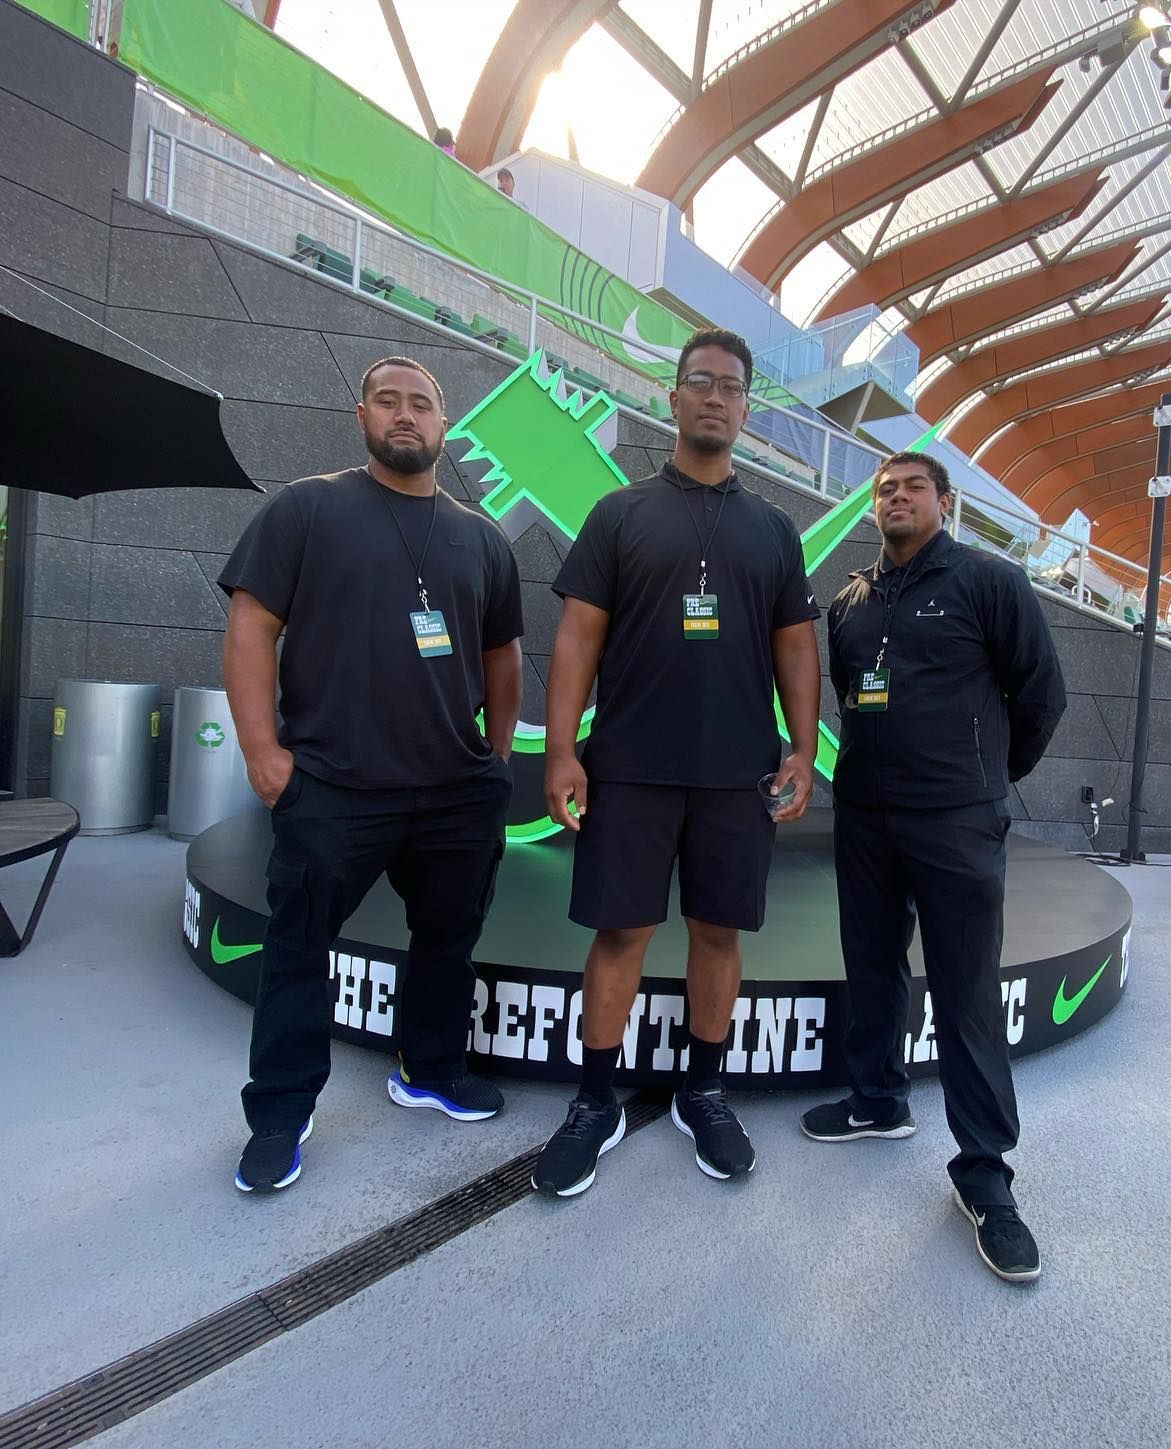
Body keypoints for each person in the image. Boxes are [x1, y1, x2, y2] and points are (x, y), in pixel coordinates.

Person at [219, 356, 523, 1194]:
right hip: (333, 783)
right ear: (361, 415)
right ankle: (281, 1110)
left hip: (456, 792)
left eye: (420, 404)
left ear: (444, 425)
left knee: (448, 940)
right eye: (387, 400)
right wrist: (262, 752)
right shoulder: (305, 509)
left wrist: (495, 758)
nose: (404, 414)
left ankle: (429, 1070)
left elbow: (504, 655)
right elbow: (252, 625)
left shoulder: (481, 536)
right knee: (297, 947)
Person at [533, 327, 821, 1197]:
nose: (716, 397)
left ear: (745, 409)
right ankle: (595, 1101)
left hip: (737, 772)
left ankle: (705, 1088)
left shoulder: (773, 528)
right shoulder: (619, 514)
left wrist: (803, 749)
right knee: (620, 931)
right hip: (627, 766)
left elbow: (797, 649)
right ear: (672, 395)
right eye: (701, 381)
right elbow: (578, 636)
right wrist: (561, 749)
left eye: (732, 387)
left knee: (717, 932)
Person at [800, 452, 1066, 1284]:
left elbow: (1041, 697)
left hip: (957, 821)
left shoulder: (990, 582)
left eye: (914, 487)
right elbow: (850, 692)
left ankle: (985, 1175)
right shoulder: (848, 601)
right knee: (872, 965)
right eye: (885, 490)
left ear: (944, 504)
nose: (898, 498)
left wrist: (985, 779)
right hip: (868, 817)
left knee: (965, 989)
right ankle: (877, 1099)